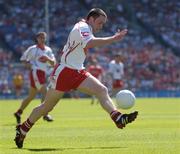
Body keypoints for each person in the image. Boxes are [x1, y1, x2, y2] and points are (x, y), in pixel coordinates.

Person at [14, 8, 138, 148]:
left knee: (102, 90)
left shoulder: (86, 28)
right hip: (64, 72)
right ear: (91, 19)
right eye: (99, 23)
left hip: (78, 71)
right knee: (47, 107)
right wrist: (113, 39)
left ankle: (118, 118)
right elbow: (89, 43)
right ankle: (23, 128)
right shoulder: (82, 26)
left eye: (103, 24)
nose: (101, 26)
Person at [14, 32, 56, 124]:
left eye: (43, 37)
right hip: (36, 72)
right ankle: (45, 114)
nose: (42, 39)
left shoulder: (48, 50)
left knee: (31, 96)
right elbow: (23, 59)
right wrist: (28, 65)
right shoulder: (32, 49)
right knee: (45, 90)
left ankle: (18, 112)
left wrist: (47, 59)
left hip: (43, 73)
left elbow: (53, 63)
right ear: (37, 38)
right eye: (40, 37)